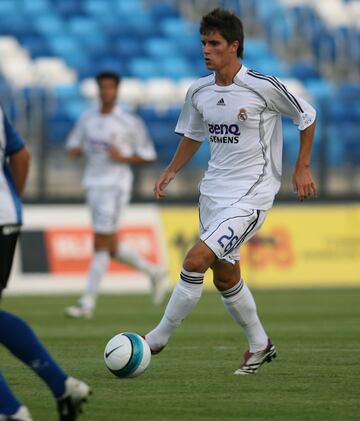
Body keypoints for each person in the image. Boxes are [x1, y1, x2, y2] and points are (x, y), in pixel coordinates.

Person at [144, 8, 317, 375]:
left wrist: (301, 166)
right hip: (212, 194)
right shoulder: (199, 91)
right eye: (204, 43)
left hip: (252, 194)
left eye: (214, 43)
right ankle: (260, 344)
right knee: (225, 277)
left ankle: (155, 339)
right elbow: (193, 135)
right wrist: (172, 170)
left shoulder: (262, 86)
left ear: (234, 46)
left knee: (194, 261)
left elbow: (307, 115)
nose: (206, 50)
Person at [0, 106, 90, 420]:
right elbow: (21, 155)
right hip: (6, 217)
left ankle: (10, 411)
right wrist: (11, 202)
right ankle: (62, 386)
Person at [64, 71, 168, 319]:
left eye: (110, 87)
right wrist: (77, 150)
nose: (106, 92)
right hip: (93, 183)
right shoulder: (87, 119)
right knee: (107, 243)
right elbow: (72, 147)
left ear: (117, 91)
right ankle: (153, 271)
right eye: (102, 87)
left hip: (115, 185)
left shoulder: (129, 122)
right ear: (98, 90)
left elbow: (148, 154)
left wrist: (122, 157)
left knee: (101, 241)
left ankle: (87, 302)